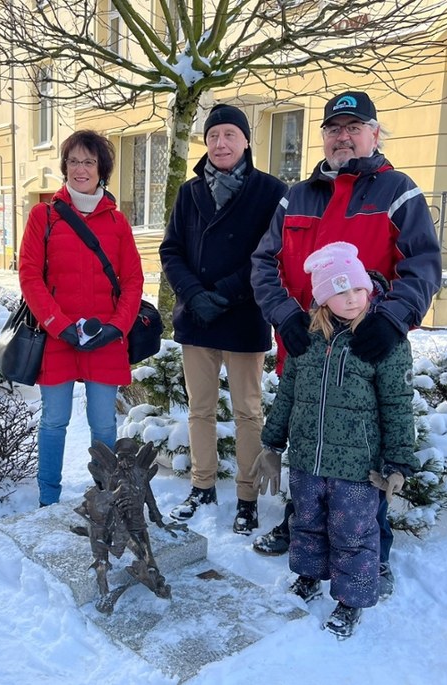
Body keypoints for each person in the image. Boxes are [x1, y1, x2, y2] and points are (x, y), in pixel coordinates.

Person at [250, 91, 441, 596]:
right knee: (309, 439)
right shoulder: (297, 196)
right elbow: (264, 263)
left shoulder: (398, 192)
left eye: (354, 127)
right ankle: (302, 530)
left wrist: (394, 317)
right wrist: (286, 316)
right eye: (334, 128)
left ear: (375, 134)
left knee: (363, 456)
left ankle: (371, 552)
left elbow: (423, 263)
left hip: (368, 350)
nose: (342, 136)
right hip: (307, 346)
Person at [259, 241, 419, 638]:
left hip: (357, 468)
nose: (352, 299)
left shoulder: (384, 341)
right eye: (340, 291)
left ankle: (350, 601)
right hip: (307, 462)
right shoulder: (306, 340)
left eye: (358, 289)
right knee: (307, 524)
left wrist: (398, 463)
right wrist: (272, 444)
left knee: (354, 536)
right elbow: (288, 395)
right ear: (323, 298)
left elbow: (398, 405)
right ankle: (310, 578)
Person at [159, 104, 287, 534]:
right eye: (214, 135)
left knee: (249, 412)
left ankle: (247, 496)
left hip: (244, 315)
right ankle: (202, 485)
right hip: (197, 318)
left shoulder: (270, 191)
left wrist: (226, 293)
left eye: (230, 134)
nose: (221, 143)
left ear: (246, 140)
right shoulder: (190, 191)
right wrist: (194, 294)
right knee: (200, 409)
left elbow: (270, 255)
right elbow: (171, 250)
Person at [18, 130, 143, 507]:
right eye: (74, 161)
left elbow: (133, 280)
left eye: (89, 161)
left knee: (103, 424)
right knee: (54, 420)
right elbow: (29, 275)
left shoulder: (117, 222)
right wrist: (58, 325)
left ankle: (105, 496)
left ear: (101, 169)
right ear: (65, 167)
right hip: (59, 336)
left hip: (104, 337)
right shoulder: (45, 216)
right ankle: (48, 499)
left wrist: (117, 327)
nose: (81, 168)